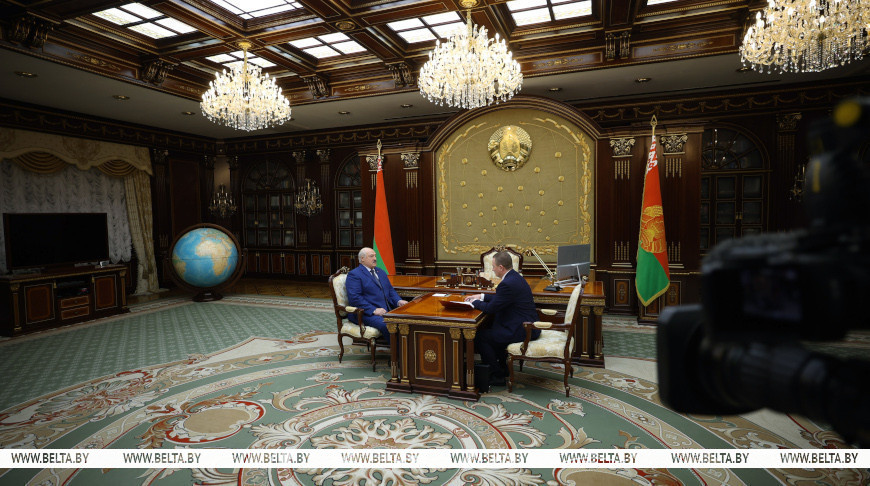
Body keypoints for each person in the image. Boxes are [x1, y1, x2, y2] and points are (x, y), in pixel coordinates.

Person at [464, 251, 539, 386]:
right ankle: (503, 368)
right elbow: (501, 299)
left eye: (493, 266)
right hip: (525, 325)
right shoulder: (514, 277)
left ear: (501, 268)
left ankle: (496, 375)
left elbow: (491, 308)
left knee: (481, 337)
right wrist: (481, 296)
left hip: (522, 329)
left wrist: (473, 303)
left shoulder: (507, 283)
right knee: (493, 329)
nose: (492, 269)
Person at [345, 247, 408, 342]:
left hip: (386, 309)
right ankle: (398, 350)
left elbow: (390, 290)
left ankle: (407, 347)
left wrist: (398, 301)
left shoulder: (380, 271)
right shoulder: (354, 275)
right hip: (365, 313)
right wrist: (373, 310)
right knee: (389, 325)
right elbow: (355, 298)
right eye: (371, 256)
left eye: (375, 256)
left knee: (407, 320)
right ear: (362, 258)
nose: (375, 258)